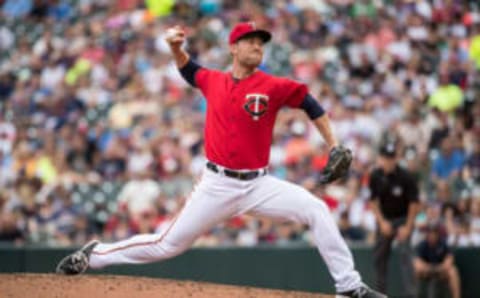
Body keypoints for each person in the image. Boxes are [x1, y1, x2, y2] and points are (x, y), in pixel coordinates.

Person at [56, 22, 386, 298]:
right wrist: (174, 47)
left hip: (259, 184)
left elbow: (311, 104)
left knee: (316, 209)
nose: (258, 47)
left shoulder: (272, 85)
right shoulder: (213, 80)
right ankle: (95, 255)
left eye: (261, 43)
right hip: (217, 185)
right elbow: (187, 68)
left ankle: (349, 287)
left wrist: (334, 143)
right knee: (167, 245)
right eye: (251, 42)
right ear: (233, 48)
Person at [369, 138, 420, 297]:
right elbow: (373, 201)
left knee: (406, 257)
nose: (388, 161)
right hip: (385, 218)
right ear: (381, 158)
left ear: (396, 159)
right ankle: (380, 294)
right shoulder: (375, 175)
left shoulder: (406, 176)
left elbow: (414, 203)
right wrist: (382, 222)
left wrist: (408, 226)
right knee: (380, 259)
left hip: (403, 218)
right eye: (386, 157)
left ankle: (411, 295)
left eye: (391, 158)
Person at [413, 224, 461, 298]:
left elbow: (449, 261)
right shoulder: (423, 245)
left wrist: (439, 268)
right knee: (415, 270)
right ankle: (414, 295)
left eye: (434, 233)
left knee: (453, 271)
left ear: (437, 234)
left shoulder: (443, 244)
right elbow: (417, 263)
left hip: (441, 271)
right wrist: (429, 268)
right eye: (430, 233)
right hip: (427, 272)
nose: (432, 235)